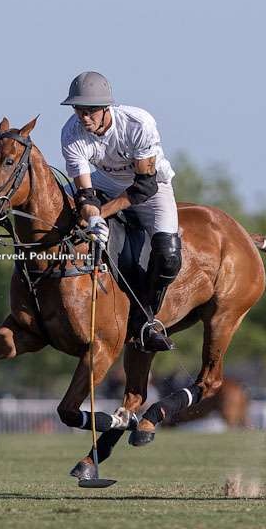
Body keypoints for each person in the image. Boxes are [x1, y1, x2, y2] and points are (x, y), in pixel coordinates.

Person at [60, 71, 180, 350]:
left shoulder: (138, 123)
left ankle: (147, 320)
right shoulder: (71, 133)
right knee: (61, 218)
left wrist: (100, 214)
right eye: (79, 110)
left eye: (91, 111)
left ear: (107, 108)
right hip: (104, 182)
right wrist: (91, 215)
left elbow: (144, 187)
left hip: (152, 189)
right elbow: (86, 193)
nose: (84, 118)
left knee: (169, 254)